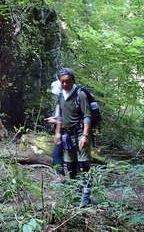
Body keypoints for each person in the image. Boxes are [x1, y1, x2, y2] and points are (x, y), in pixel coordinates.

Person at [54, 68, 93, 207]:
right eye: (62, 82)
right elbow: (59, 116)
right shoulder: (60, 95)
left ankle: (87, 195)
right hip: (67, 135)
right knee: (70, 165)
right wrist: (58, 133)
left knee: (84, 164)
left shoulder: (80, 94)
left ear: (73, 80)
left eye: (67, 81)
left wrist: (85, 135)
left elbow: (88, 115)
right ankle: (76, 192)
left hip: (80, 133)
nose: (64, 84)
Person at [45, 78, 65, 183]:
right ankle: (61, 177)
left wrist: (55, 123)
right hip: (64, 131)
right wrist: (54, 118)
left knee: (56, 154)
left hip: (66, 132)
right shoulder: (62, 99)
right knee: (58, 154)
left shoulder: (64, 99)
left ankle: (61, 177)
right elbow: (60, 117)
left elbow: (64, 119)